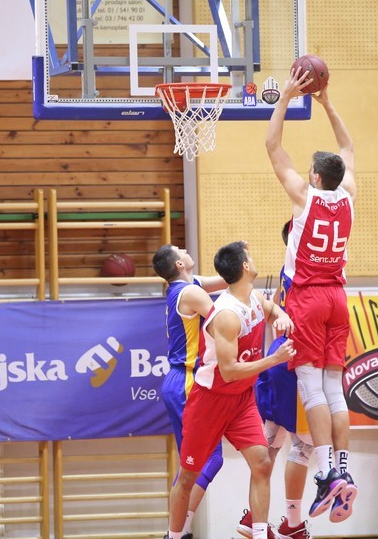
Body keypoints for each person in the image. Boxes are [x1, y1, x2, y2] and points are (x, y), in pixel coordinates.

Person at [265, 66, 358, 521]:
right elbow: (348, 148)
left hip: (307, 297)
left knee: (310, 388)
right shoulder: (349, 195)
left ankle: (327, 474)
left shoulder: (304, 196)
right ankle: (344, 470)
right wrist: (326, 103)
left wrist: (285, 97)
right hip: (340, 298)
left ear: (316, 178)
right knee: (334, 390)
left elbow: (272, 146)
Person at [167, 241, 295, 539]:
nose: (253, 258)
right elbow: (229, 371)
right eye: (249, 256)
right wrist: (273, 360)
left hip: (242, 400)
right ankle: (174, 536)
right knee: (188, 477)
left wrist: (281, 315)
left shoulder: (252, 298)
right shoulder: (226, 313)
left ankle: (260, 534)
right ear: (246, 268)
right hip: (210, 400)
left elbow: (269, 307)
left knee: (261, 462)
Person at [240, 222, 313, 539]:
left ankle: (255, 520)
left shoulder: (291, 269)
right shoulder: (310, 272)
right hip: (293, 362)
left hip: (279, 359)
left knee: (271, 445)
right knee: (304, 445)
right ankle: (292, 524)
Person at [152, 244, 229, 539]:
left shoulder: (187, 286)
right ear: (179, 264)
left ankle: (176, 532)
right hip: (187, 382)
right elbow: (223, 321)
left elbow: (225, 279)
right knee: (209, 458)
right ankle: (178, 531)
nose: (185, 249)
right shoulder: (191, 293)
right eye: (179, 250)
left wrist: (237, 259)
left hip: (179, 381)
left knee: (192, 462)